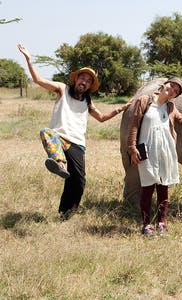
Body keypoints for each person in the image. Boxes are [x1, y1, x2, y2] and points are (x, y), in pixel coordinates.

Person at [18, 43, 132, 220]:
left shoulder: (87, 101)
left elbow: (101, 117)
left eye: (88, 81)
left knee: (78, 182)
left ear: (89, 86)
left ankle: (66, 214)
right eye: (82, 78)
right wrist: (28, 60)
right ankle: (59, 162)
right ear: (76, 79)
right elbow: (39, 81)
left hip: (78, 144)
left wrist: (121, 108)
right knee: (46, 132)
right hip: (59, 138)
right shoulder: (62, 89)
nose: (84, 82)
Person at [127, 77, 182, 237]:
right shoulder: (144, 101)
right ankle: (146, 225)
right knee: (147, 188)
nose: (172, 89)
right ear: (164, 85)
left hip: (165, 151)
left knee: (163, 189)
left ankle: (161, 223)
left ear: (175, 96)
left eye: (176, 90)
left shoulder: (170, 107)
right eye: (171, 85)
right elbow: (134, 125)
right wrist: (132, 148)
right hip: (147, 150)